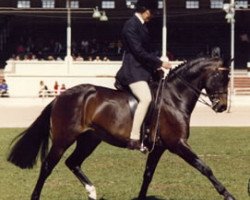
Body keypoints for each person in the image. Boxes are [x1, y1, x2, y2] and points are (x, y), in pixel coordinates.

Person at [115, 0, 171, 152]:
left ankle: (150, 133)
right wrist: (159, 62)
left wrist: (157, 65)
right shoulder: (130, 25)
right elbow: (138, 52)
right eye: (151, 13)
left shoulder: (141, 26)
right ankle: (134, 137)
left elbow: (147, 51)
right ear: (146, 11)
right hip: (133, 71)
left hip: (143, 70)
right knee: (146, 98)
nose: (152, 16)